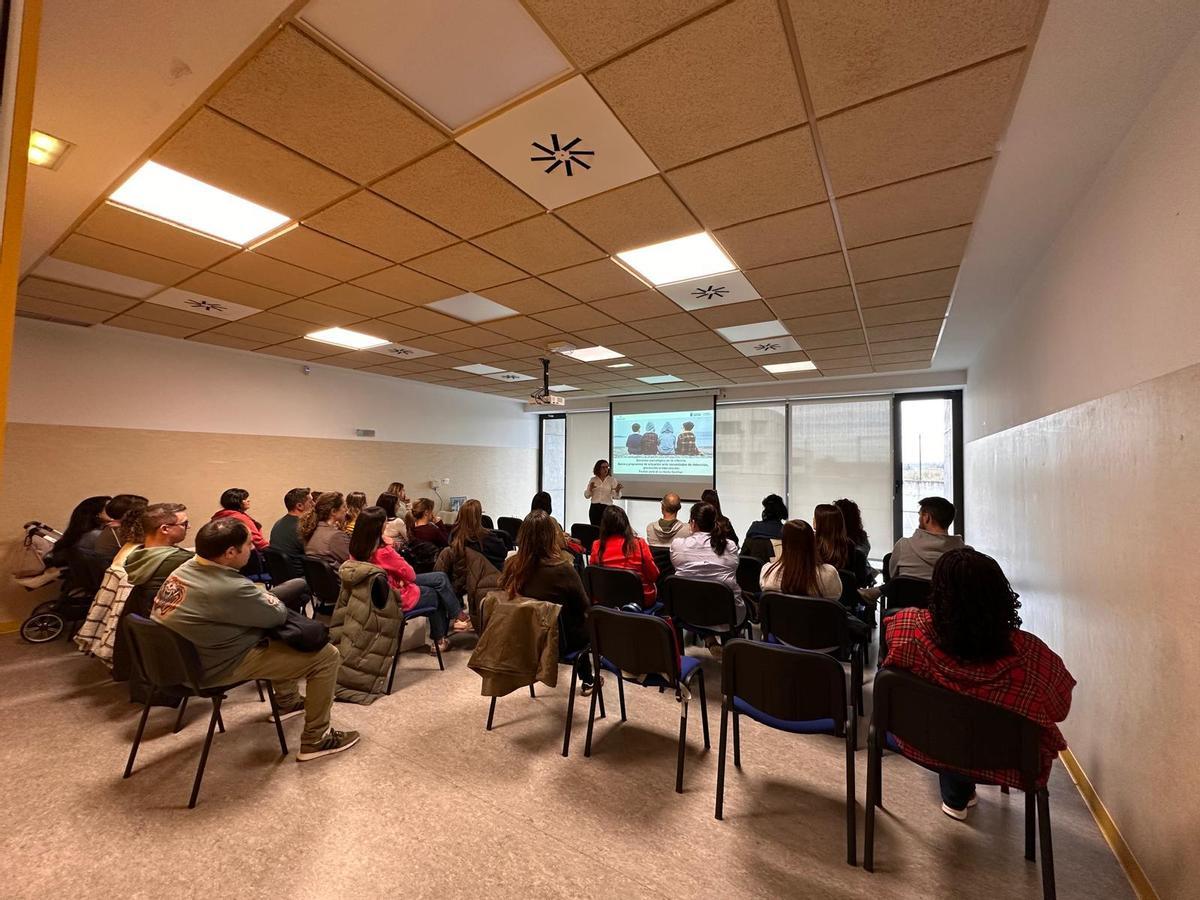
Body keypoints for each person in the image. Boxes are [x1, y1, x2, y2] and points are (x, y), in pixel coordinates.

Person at [883, 548, 1075, 820]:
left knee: (949, 715)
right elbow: (1059, 708)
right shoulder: (1033, 658)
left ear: (937, 593)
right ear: (1000, 596)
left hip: (920, 739)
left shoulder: (908, 629)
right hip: (1004, 761)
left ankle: (957, 790)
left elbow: (890, 666)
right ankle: (959, 789)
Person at [152, 518, 357, 761]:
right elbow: (276, 615)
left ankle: (288, 701)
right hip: (213, 667)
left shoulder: (183, 569)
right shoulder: (229, 587)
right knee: (326, 656)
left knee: (277, 635)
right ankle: (317, 738)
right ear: (230, 552)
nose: (253, 549)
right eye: (249, 544)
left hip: (178, 664)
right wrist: (263, 598)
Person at [348, 507, 470, 655]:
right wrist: (392, 550)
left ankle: (457, 617)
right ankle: (441, 639)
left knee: (440, 578)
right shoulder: (384, 552)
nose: (387, 525)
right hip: (395, 596)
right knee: (437, 593)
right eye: (385, 523)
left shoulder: (355, 550)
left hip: (374, 595)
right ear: (379, 527)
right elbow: (411, 575)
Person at [499, 511, 594, 690]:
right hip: (560, 643)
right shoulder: (563, 569)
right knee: (581, 620)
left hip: (525, 638)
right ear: (551, 537)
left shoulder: (512, 565)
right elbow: (584, 606)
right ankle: (588, 679)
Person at [671, 501, 742, 657]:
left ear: (693, 523)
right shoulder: (730, 546)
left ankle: (708, 639)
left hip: (688, 613)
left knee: (699, 596)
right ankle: (730, 654)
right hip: (726, 615)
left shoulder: (678, 545)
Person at [592, 506, 659, 607]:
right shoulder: (639, 544)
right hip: (641, 600)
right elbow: (654, 575)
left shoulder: (597, 546)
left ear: (604, 525)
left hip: (607, 599)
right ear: (625, 523)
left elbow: (594, 577)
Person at [889, 496, 969, 581]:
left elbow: (893, 580)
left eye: (920, 514)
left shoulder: (903, 546)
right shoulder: (967, 555)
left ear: (927, 517)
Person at [760, 519, 842, 600]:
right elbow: (836, 598)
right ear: (812, 542)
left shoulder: (767, 574)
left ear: (784, 544)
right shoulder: (829, 575)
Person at [813, 503, 870, 588]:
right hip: (843, 593)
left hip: (815, 590)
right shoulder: (850, 546)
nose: (813, 519)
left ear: (822, 522)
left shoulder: (810, 543)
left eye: (815, 517)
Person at [46, 495, 111, 567]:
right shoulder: (94, 535)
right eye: (110, 508)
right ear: (97, 514)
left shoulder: (83, 533)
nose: (116, 511)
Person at [451, 499, 509, 571]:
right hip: (488, 573)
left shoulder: (454, 535)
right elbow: (503, 553)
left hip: (463, 573)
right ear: (479, 516)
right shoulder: (487, 537)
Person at [269, 487, 312, 579]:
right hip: (300, 577)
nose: (314, 504)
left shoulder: (278, 523)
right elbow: (314, 554)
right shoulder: (302, 527)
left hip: (280, 575)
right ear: (299, 506)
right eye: (310, 502)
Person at [301, 491, 351, 565]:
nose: (346, 509)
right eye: (344, 506)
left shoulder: (312, 530)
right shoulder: (336, 536)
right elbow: (353, 562)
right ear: (333, 511)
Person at [583, 460, 622, 527]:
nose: (605, 469)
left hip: (607, 508)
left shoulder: (612, 480)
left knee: (606, 528)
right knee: (595, 528)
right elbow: (587, 496)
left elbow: (617, 497)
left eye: (607, 467)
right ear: (598, 468)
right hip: (594, 508)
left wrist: (617, 491)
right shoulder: (593, 479)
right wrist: (590, 489)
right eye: (603, 467)